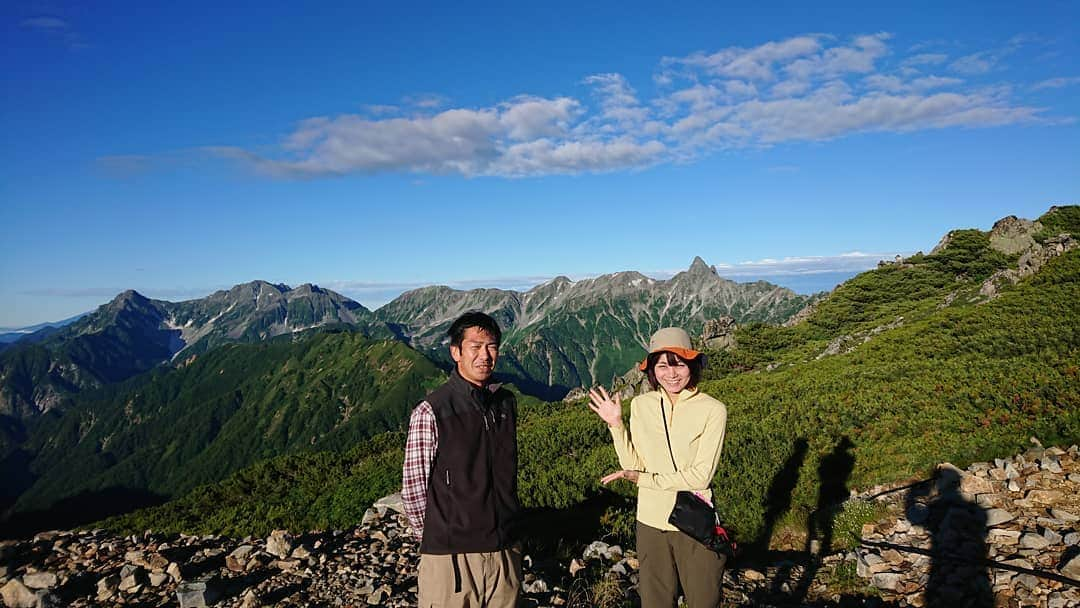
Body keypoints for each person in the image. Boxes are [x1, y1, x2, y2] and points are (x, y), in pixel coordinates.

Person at [587, 327, 728, 608]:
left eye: (679, 364)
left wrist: (643, 480)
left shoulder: (713, 409)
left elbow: (701, 476)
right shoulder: (641, 405)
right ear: (652, 370)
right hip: (650, 522)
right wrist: (616, 425)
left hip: (693, 520)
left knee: (704, 600)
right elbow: (633, 464)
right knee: (655, 602)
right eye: (662, 365)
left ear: (693, 365)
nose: (671, 373)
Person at [402, 311, 522, 608]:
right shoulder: (431, 411)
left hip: (504, 550)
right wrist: (436, 539)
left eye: (491, 346)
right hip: (451, 559)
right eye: (475, 346)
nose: (485, 355)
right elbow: (413, 489)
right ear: (455, 352)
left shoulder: (505, 404)